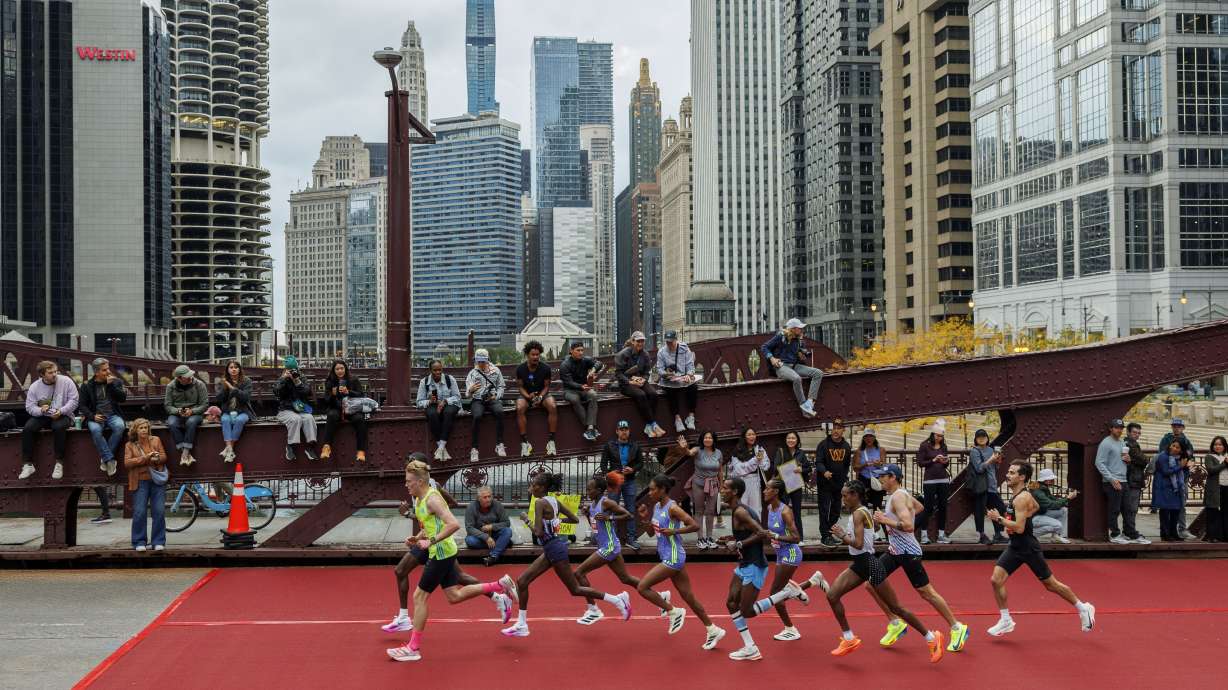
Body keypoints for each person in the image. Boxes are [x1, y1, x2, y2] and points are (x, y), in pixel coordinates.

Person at [386, 459, 518, 662]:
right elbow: (431, 525)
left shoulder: (432, 499)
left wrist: (430, 542)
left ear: (420, 482)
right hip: (442, 551)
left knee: (419, 597)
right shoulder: (420, 499)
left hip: (440, 553)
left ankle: (413, 648)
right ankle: (499, 585)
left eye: (408, 481)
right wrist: (418, 538)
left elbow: (454, 524)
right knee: (454, 596)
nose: (406, 485)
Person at [499, 472, 631, 638]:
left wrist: (526, 520)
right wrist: (556, 523)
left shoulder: (540, 502)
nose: (530, 488)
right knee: (522, 581)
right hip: (552, 547)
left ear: (541, 488)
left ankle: (617, 600)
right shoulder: (554, 501)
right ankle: (522, 624)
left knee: (575, 589)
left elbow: (538, 533)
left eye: (533, 485)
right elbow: (575, 519)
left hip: (554, 549)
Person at [824, 480, 944, 662]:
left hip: (870, 564)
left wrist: (842, 536)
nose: (843, 498)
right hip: (859, 564)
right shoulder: (863, 512)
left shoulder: (858, 514)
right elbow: (876, 528)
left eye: (845, 495)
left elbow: (857, 543)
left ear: (855, 495)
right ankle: (849, 638)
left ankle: (931, 637)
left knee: (897, 608)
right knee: (832, 595)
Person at [987, 461, 1095, 636]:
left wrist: (998, 518)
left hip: (1028, 547)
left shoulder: (1022, 498)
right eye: (1008, 471)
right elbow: (1036, 507)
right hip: (1015, 546)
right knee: (996, 580)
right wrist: (1025, 515)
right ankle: (1006, 620)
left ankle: (1084, 608)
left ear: (1022, 477)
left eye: (1012, 473)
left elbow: (1019, 528)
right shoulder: (1022, 495)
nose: (1008, 475)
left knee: (1050, 585)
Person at [873, 465, 969, 653]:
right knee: (872, 581)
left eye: (883, 476)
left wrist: (886, 520)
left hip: (908, 552)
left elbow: (908, 526)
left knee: (926, 593)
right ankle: (895, 623)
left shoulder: (899, 496)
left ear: (893, 477)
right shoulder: (899, 495)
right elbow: (920, 507)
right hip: (895, 550)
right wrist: (896, 518)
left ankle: (957, 627)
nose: (880, 480)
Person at [717, 477, 808, 661]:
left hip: (755, 564)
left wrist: (739, 544)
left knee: (748, 611)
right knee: (731, 603)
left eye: (725, 488)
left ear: (734, 492)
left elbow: (761, 534)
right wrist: (730, 538)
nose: (721, 490)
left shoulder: (741, 512)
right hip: (744, 564)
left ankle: (786, 593)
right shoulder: (741, 510)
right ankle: (750, 647)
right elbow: (751, 532)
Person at [632, 474, 726, 649]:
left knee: (642, 587)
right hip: (667, 555)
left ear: (662, 490)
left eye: (653, 489)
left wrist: (675, 532)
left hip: (674, 557)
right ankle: (713, 629)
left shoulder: (672, 508)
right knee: (688, 597)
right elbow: (653, 533)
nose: (650, 492)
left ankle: (673, 611)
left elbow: (695, 525)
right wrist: (645, 518)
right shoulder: (656, 507)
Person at [762, 478, 829, 642]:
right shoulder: (770, 507)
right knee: (778, 593)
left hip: (791, 554)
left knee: (774, 595)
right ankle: (813, 581)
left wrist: (776, 536)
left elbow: (796, 537)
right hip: (780, 554)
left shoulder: (785, 511)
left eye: (767, 488)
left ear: (776, 492)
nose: (764, 491)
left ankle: (791, 629)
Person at [573, 473, 642, 625]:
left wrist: (609, 518)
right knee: (625, 578)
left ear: (598, 490)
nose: (587, 492)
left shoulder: (606, 502)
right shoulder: (592, 505)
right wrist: (587, 514)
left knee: (579, 572)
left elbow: (628, 515)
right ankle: (659, 594)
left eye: (589, 489)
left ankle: (593, 608)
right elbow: (596, 524)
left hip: (609, 546)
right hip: (607, 545)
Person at [19, 361, 78, 480]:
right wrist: (41, 410)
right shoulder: (35, 387)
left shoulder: (66, 381)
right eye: (50, 372)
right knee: (28, 429)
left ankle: (59, 463)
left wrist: (61, 411)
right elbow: (29, 407)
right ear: (42, 375)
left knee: (58, 427)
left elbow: (74, 400)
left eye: (56, 371)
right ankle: (28, 465)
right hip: (44, 415)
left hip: (63, 414)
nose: (55, 374)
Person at [760, 318, 821, 418]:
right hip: (781, 367)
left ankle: (809, 402)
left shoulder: (799, 340)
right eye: (799, 328)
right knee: (796, 378)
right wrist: (772, 358)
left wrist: (802, 356)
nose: (802, 330)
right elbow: (764, 347)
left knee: (818, 373)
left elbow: (800, 354)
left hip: (794, 366)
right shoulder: (781, 336)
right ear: (792, 329)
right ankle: (804, 408)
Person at [123, 418, 167, 552]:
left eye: (146, 428)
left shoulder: (156, 440)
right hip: (140, 481)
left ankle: (158, 541)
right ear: (135, 430)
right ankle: (139, 541)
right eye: (141, 428)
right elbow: (127, 463)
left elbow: (164, 457)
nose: (144, 430)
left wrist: (157, 457)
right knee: (139, 512)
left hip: (156, 480)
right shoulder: (130, 445)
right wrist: (146, 458)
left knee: (159, 511)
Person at [78, 357, 127, 477]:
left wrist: (111, 386)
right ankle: (110, 460)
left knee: (120, 427)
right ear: (96, 372)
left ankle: (105, 458)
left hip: (113, 415)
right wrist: (92, 416)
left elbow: (122, 399)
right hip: (95, 416)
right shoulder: (86, 386)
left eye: (108, 368)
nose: (108, 372)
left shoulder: (116, 382)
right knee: (95, 430)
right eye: (104, 370)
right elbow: (82, 405)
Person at [600, 420, 644, 549]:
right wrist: (610, 473)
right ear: (617, 431)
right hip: (614, 482)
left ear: (629, 431)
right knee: (612, 509)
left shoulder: (635, 445)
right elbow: (603, 464)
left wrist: (633, 469)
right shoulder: (609, 445)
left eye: (626, 429)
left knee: (630, 509)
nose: (624, 431)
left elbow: (640, 463)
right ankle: (611, 538)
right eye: (621, 429)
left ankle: (631, 538)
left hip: (629, 481)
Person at [614, 331, 664, 438]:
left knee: (653, 394)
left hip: (639, 380)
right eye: (638, 341)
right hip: (626, 384)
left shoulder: (645, 354)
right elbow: (618, 373)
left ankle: (648, 425)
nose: (640, 343)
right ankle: (653, 424)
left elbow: (646, 372)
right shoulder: (622, 354)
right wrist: (629, 381)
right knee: (641, 395)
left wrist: (643, 379)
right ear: (633, 341)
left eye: (642, 341)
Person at [321, 359, 369, 463]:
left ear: (345, 369)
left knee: (360, 419)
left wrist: (349, 392)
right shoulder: (330, 381)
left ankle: (361, 451)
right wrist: (333, 394)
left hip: (352, 408)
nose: (340, 371)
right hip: (337, 408)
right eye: (337, 369)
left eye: (341, 368)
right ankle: (326, 446)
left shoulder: (353, 379)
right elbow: (326, 400)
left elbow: (361, 395)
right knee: (332, 415)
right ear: (334, 370)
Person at [514, 341, 557, 457]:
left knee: (552, 406)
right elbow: (520, 387)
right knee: (519, 407)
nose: (535, 357)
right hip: (526, 395)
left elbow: (547, 386)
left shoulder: (546, 368)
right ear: (527, 355)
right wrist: (528, 396)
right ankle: (524, 442)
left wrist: (541, 397)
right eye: (533, 355)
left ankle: (551, 441)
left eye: (537, 355)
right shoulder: (520, 369)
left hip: (542, 394)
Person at [767, 431, 810, 541]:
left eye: (793, 438)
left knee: (797, 512)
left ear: (797, 440)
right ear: (786, 440)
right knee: (783, 512)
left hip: (796, 485)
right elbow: (776, 467)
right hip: (783, 486)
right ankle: (783, 537)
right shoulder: (780, 451)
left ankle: (799, 538)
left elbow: (808, 468)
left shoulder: (801, 453)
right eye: (789, 438)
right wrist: (790, 468)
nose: (791, 440)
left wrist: (801, 469)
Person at [1093, 419, 1132, 543]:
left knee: (1127, 509)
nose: (1119, 430)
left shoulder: (1122, 442)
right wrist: (1111, 479)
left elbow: (1122, 461)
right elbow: (1099, 462)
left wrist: (1128, 460)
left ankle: (1129, 533)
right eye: (1116, 428)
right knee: (1114, 509)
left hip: (1123, 479)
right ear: (1111, 428)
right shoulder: (1106, 443)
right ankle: (1114, 534)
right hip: (1112, 481)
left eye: (1121, 428)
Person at [814, 421, 852, 546]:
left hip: (838, 485)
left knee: (836, 510)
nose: (836, 431)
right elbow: (818, 462)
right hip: (824, 484)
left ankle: (830, 533)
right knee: (824, 509)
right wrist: (824, 472)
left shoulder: (846, 446)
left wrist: (843, 479)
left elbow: (846, 465)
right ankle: (824, 536)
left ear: (843, 430)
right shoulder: (823, 445)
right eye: (834, 428)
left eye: (839, 428)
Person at [967, 429, 1008, 545]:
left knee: (999, 508)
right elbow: (979, 468)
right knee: (979, 511)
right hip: (981, 486)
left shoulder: (991, 450)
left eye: (984, 436)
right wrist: (991, 460)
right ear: (976, 439)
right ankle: (981, 535)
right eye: (979, 437)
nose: (981, 439)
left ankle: (998, 534)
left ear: (987, 438)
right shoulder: (975, 451)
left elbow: (994, 469)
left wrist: (998, 461)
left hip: (992, 486)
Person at [466, 349, 507, 462]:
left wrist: (497, 396)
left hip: (492, 398)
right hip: (477, 399)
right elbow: (467, 394)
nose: (481, 364)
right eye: (479, 361)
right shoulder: (472, 373)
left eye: (483, 361)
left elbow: (501, 386)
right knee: (477, 416)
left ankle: (499, 444)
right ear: (476, 361)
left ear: (487, 360)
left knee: (499, 412)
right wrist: (471, 390)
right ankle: (474, 448)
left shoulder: (496, 371)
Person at [1158, 419, 1196, 539]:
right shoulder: (1166, 439)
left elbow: (1190, 455)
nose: (1176, 428)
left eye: (1179, 426)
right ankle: (1166, 531)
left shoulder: (1186, 440)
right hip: (1168, 477)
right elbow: (1162, 455)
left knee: (1181, 504)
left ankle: (1181, 529)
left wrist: (1190, 462)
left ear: (1183, 427)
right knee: (1166, 506)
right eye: (1174, 426)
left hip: (1181, 476)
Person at [416, 360, 461, 461]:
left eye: (440, 370)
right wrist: (429, 401)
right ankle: (442, 448)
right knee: (432, 414)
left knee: (448, 412)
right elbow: (419, 402)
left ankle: (440, 448)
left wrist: (445, 401)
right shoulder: (424, 382)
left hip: (449, 403)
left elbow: (457, 397)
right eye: (435, 370)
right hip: (433, 404)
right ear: (430, 370)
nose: (438, 372)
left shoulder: (450, 379)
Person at [164, 364, 208, 466]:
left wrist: (192, 411)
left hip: (195, 412)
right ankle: (185, 452)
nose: (190, 377)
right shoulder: (170, 386)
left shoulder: (199, 384)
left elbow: (204, 404)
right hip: (177, 413)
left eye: (190, 375)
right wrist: (178, 411)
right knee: (171, 423)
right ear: (179, 378)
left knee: (191, 422)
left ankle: (185, 452)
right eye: (186, 376)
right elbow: (168, 406)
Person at [916, 418, 952, 544]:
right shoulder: (924, 445)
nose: (939, 438)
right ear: (933, 434)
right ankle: (924, 535)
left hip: (943, 479)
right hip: (929, 480)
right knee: (928, 507)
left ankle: (941, 535)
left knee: (943, 506)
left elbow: (945, 465)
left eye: (941, 436)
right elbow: (920, 463)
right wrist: (933, 460)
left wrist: (945, 461)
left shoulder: (943, 446)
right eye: (937, 435)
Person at [275, 356, 317, 461]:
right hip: (285, 410)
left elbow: (306, 392)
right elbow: (277, 392)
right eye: (289, 370)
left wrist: (297, 381)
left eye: (293, 369)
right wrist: (284, 380)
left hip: (300, 409)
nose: (292, 372)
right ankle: (290, 446)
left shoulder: (301, 377)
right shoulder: (282, 378)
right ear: (285, 370)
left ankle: (310, 446)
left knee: (309, 418)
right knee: (295, 419)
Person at [560, 341, 604, 441]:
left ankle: (590, 428)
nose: (581, 353)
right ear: (571, 351)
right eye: (578, 350)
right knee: (575, 399)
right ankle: (588, 427)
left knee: (593, 395)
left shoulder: (585, 360)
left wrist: (593, 370)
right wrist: (581, 386)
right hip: (570, 390)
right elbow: (568, 382)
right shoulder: (565, 365)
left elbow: (599, 363)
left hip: (584, 388)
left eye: (582, 350)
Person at [656, 330, 699, 432]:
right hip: (669, 379)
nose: (669, 344)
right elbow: (660, 369)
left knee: (693, 387)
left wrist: (689, 375)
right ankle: (677, 418)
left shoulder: (684, 349)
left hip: (683, 378)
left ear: (676, 340)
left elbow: (690, 365)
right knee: (670, 390)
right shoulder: (661, 352)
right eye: (667, 342)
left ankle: (691, 416)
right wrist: (666, 374)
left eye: (671, 342)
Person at [215, 360, 253, 463]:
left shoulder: (246, 381)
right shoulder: (222, 382)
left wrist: (233, 388)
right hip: (227, 411)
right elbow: (219, 398)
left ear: (239, 369)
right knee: (225, 420)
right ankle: (230, 449)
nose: (234, 369)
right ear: (227, 370)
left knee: (240, 421)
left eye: (236, 367)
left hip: (243, 411)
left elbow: (246, 397)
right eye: (231, 367)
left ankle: (229, 448)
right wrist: (226, 388)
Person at [1152, 440, 1190, 542]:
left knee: (1176, 511)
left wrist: (1186, 468)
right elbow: (1166, 471)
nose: (1174, 448)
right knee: (1165, 511)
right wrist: (1180, 466)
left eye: (1178, 447)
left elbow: (1184, 474)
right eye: (1173, 446)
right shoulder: (1163, 457)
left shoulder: (1180, 459)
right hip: (1164, 487)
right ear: (1169, 446)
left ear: (1181, 450)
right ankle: (1165, 534)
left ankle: (1174, 533)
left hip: (1176, 487)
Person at [465, 486, 512, 566]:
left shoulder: (497, 505)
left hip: (495, 535)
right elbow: (469, 528)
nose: (488, 499)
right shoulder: (471, 507)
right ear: (478, 498)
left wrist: (492, 526)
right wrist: (486, 537)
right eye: (485, 497)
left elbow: (507, 523)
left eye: (489, 496)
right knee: (470, 541)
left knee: (508, 531)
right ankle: (501, 544)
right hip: (479, 538)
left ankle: (493, 556)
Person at [691, 430, 723, 549]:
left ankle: (709, 537)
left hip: (713, 484)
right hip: (699, 483)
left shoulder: (719, 453)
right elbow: (689, 453)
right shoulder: (697, 450)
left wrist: (721, 484)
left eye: (710, 437)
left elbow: (720, 470)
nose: (707, 439)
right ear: (702, 439)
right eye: (705, 437)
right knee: (699, 511)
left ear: (713, 440)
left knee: (710, 511)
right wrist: (684, 448)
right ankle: (700, 538)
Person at [728, 427, 768, 517]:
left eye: (753, 434)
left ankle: (756, 530)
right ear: (744, 437)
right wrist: (755, 461)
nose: (752, 437)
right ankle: (743, 530)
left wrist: (759, 462)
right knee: (742, 506)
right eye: (749, 435)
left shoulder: (759, 449)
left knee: (755, 508)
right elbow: (738, 470)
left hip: (754, 481)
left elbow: (765, 466)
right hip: (740, 482)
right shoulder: (738, 450)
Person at [1031, 468, 1078, 544]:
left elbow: (1053, 499)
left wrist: (1065, 500)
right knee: (1057, 525)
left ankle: (1058, 536)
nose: (1054, 481)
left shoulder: (1041, 487)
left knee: (1063, 510)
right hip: (1033, 517)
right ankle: (1030, 535)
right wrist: (1068, 498)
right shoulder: (1038, 491)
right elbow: (1052, 505)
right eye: (1052, 479)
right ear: (1047, 480)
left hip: (1039, 513)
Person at [1123, 423, 1151, 544]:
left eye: (1139, 433)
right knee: (1131, 508)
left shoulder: (1130, 444)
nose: (1137, 435)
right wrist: (1142, 460)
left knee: (1130, 508)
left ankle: (1128, 531)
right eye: (1135, 432)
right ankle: (1130, 532)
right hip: (1132, 480)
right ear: (1128, 432)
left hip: (1133, 479)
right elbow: (1144, 459)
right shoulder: (1130, 444)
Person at [853, 426, 887, 521]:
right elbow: (855, 468)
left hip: (877, 480)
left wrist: (878, 464)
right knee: (863, 506)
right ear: (863, 438)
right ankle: (866, 528)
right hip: (864, 480)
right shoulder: (859, 451)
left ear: (874, 438)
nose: (868, 439)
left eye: (871, 436)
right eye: (866, 437)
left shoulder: (881, 450)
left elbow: (884, 467)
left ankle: (876, 529)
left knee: (877, 507)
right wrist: (864, 464)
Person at [1203, 436, 1228, 542]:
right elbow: (1211, 470)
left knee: (1225, 512)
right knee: (1212, 511)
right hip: (1215, 488)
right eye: (1216, 444)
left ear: (1224, 446)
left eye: (1220, 444)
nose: (1218, 446)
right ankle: (1212, 536)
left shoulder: (1226, 456)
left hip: (1226, 487)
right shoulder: (1209, 456)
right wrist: (1224, 464)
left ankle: (1224, 535)